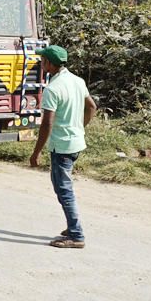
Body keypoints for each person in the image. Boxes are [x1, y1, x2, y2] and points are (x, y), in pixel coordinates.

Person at [30, 45, 97, 249]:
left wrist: (36, 152)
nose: (41, 63)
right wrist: (79, 127)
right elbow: (92, 107)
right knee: (63, 187)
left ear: (48, 63)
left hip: (62, 147)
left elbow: (47, 124)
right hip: (75, 142)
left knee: (64, 190)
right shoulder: (78, 81)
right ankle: (72, 225)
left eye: (42, 60)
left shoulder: (52, 89)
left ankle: (76, 235)